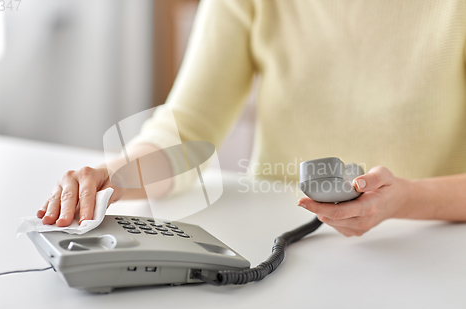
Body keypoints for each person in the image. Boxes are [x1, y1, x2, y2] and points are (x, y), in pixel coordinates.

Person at [36, 0, 466, 237]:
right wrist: (114, 176)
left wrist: (405, 199)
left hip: (432, 244)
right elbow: (189, 129)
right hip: (280, 242)